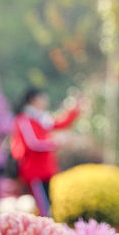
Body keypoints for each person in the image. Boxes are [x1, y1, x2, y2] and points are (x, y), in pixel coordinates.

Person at [10, 88, 81, 216]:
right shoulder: (24, 120)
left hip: (46, 170)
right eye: (42, 98)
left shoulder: (41, 118)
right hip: (34, 172)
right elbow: (33, 143)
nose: (45, 101)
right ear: (33, 100)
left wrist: (75, 109)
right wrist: (56, 142)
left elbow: (62, 123)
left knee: (48, 206)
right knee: (44, 209)